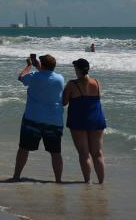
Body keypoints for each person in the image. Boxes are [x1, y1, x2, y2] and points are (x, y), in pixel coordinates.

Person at [10, 54, 65, 183]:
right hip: (54, 121)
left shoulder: (34, 76)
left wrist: (28, 66)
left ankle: (16, 176)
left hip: (32, 118)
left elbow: (21, 77)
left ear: (42, 65)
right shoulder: (60, 79)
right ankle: (58, 180)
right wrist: (38, 65)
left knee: (24, 149)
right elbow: (46, 74)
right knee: (55, 153)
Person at [63, 58, 106, 183]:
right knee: (97, 153)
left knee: (84, 153)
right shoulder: (97, 82)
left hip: (79, 120)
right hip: (97, 119)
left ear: (78, 70)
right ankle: (101, 183)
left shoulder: (72, 84)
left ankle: (87, 182)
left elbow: (64, 102)